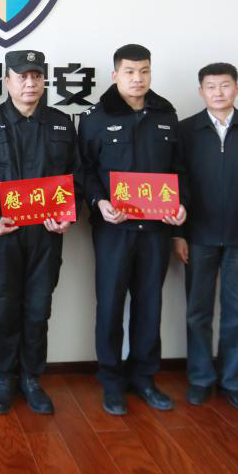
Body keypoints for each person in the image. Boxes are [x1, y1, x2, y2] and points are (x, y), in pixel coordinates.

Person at [0, 49, 78, 416]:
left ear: (44, 80)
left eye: (36, 76)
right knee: (3, 307)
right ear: (7, 81)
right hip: (4, 234)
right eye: (22, 76)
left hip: (46, 234)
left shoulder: (61, 124)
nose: (30, 83)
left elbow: (75, 176)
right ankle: (3, 378)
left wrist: (68, 215)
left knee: (38, 307)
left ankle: (31, 377)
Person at [78, 44, 187, 416]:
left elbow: (179, 170)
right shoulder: (96, 118)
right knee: (110, 305)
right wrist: (98, 202)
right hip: (114, 229)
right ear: (115, 75)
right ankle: (111, 381)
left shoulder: (166, 115)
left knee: (149, 304)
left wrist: (180, 205)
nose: (137, 79)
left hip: (156, 228)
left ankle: (144, 377)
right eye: (129, 71)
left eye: (143, 71)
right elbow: (84, 170)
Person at [172, 63, 238, 412]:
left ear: (237, 88)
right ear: (200, 91)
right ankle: (201, 379)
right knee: (197, 313)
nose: (218, 92)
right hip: (198, 235)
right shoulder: (186, 130)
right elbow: (177, 185)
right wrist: (178, 235)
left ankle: (233, 381)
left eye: (225, 85)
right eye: (211, 86)